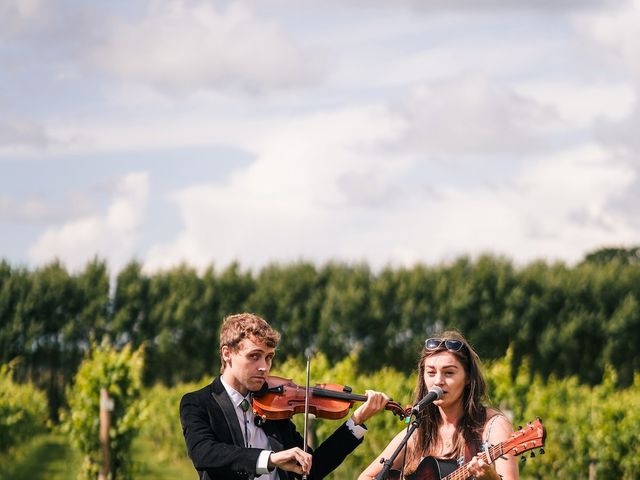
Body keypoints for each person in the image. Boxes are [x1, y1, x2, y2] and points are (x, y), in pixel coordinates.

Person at [180, 312, 390, 479]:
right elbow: (204, 453)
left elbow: (313, 467)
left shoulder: (274, 407)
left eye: (269, 357)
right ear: (227, 354)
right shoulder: (198, 403)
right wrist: (270, 459)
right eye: (254, 356)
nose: (264, 367)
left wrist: (356, 422)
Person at [358, 330, 519, 480]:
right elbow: (365, 477)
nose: (438, 381)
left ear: (468, 377)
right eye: (431, 372)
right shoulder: (419, 432)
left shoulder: (493, 426)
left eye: (449, 373)